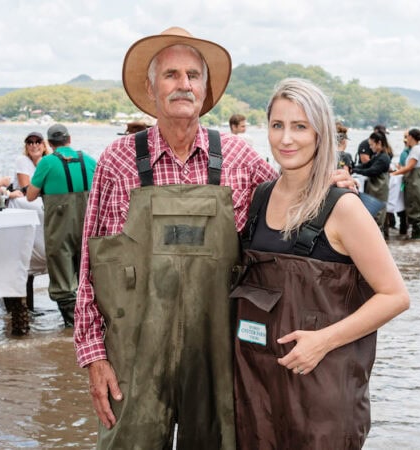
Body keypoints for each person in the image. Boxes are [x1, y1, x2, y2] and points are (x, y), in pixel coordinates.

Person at [74, 27, 308, 449]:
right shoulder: (117, 160)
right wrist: (93, 357)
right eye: (171, 75)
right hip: (133, 357)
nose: (183, 84)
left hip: (219, 356)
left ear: (205, 88)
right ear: (151, 88)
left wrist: (332, 189)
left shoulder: (239, 157)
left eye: (193, 75)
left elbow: (294, 211)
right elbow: (90, 265)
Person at [232, 77, 409, 450]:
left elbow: (394, 295)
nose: (286, 139)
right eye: (277, 125)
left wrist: (323, 341)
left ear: (320, 133)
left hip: (322, 393)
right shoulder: (260, 197)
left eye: (300, 126)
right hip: (258, 390)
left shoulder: (343, 207)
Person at [26, 123, 96, 327]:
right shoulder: (89, 160)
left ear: (49, 143)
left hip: (60, 229)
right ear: (69, 139)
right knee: (88, 275)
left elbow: (30, 196)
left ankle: (74, 327)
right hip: (88, 228)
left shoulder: (47, 162)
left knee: (62, 279)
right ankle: (92, 324)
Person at [353, 131, 392, 238]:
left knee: (378, 217)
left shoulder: (384, 157)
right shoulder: (378, 155)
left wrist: (356, 171)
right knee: (373, 215)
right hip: (374, 189)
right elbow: (367, 165)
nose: (370, 147)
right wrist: (354, 168)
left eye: (371, 145)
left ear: (379, 143)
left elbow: (372, 171)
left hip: (380, 190)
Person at [391, 128, 420, 239]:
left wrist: (394, 174)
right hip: (415, 182)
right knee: (415, 207)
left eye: (407, 137)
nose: (406, 139)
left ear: (411, 137)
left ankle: (417, 238)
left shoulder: (416, 149)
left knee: (416, 209)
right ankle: (415, 239)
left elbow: (409, 167)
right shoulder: (415, 149)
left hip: (416, 183)